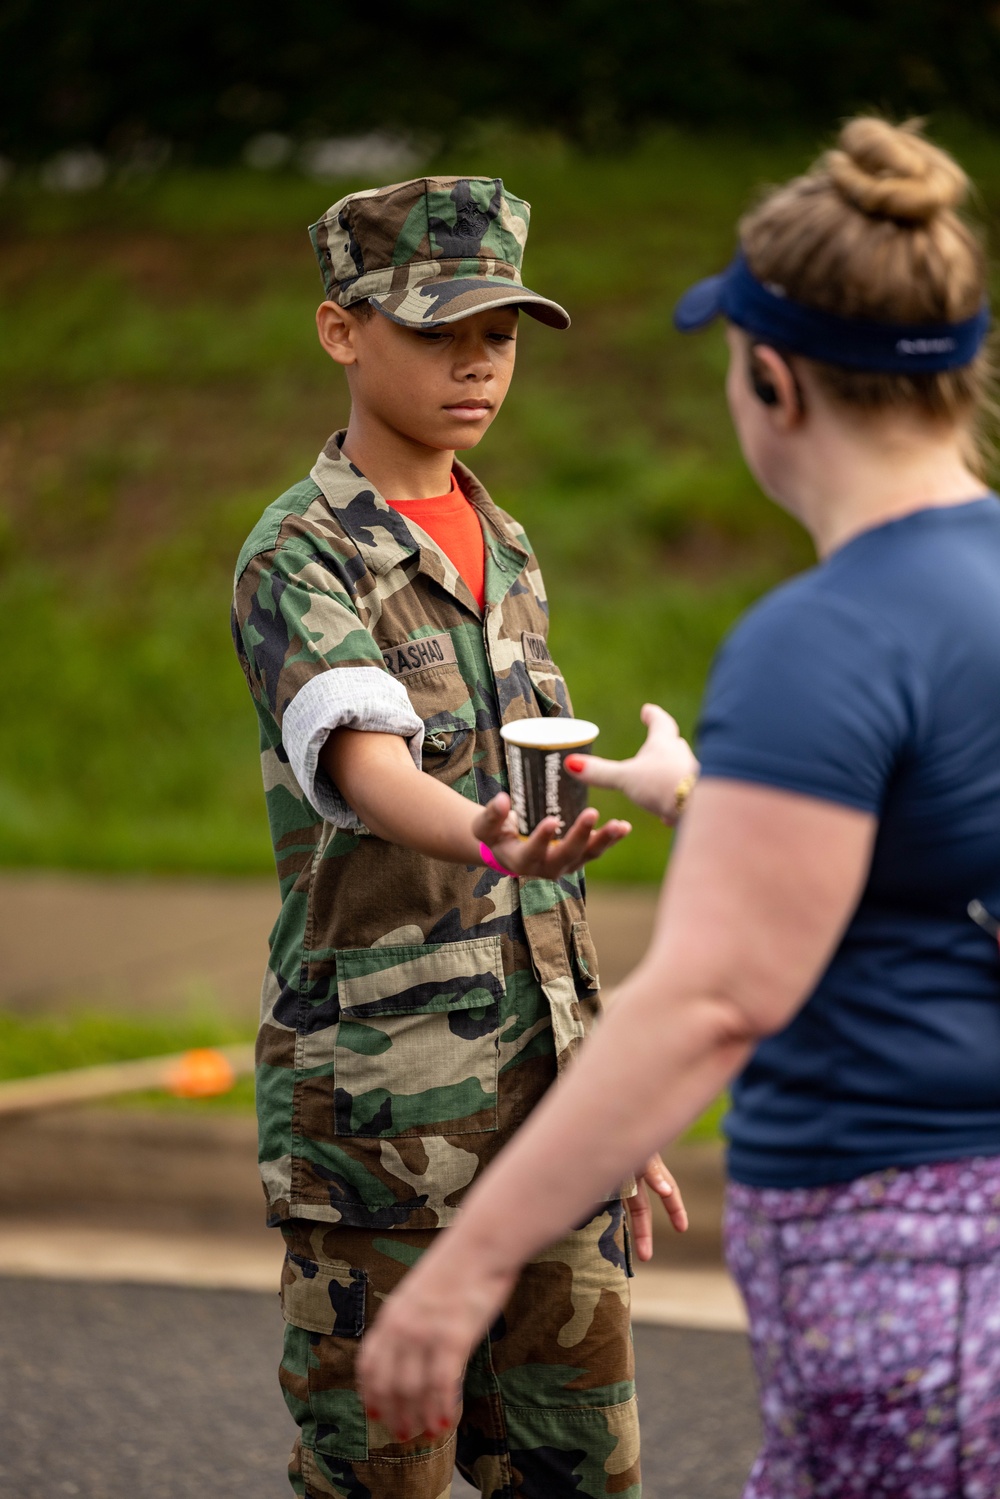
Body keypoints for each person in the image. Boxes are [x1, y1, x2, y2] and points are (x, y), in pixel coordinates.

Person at [358, 120, 1000, 1499]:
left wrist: (460, 1275)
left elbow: (715, 996)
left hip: (904, 1259)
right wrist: (704, 795)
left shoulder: (825, 639)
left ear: (770, 376)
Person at [231, 174, 689, 1499]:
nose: (477, 362)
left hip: (550, 1121)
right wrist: (488, 840)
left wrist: (604, 1084)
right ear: (341, 332)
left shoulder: (507, 540)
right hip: (386, 1127)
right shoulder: (299, 553)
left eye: (498, 334)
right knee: (388, 1482)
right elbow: (370, 762)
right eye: (439, 331)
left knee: (582, 1475)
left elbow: (517, 785)